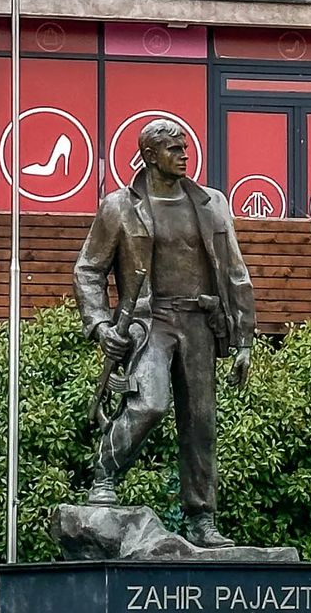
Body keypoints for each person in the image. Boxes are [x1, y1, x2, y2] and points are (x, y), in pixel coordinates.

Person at [73, 118, 256, 547]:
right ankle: (104, 475)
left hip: (199, 323)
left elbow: (234, 273)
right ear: (150, 156)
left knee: (201, 423)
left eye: (186, 147)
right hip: (149, 322)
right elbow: (88, 270)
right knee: (149, 404)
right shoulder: (119, 206)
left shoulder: (211, 203)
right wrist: (100, 324)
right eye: (174, 149)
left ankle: (202, 519)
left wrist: (244, 338)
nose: (184, 155)